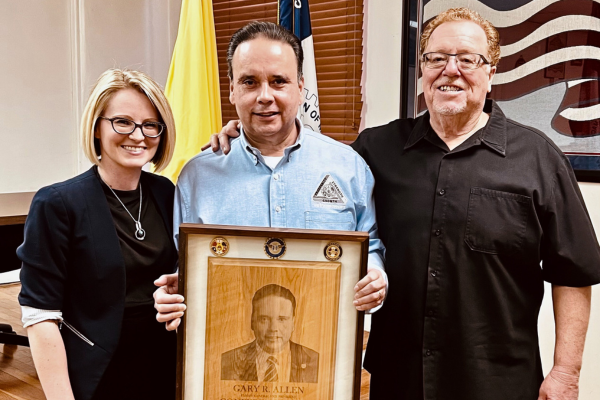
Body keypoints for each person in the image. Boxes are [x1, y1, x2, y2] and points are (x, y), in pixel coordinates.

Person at [203, 8, 600, 400]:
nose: (450, 70)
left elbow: (574, 271)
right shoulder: (375, 150)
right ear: (423, 70)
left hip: (496, 378)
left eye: (467, 59)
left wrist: (566, 373)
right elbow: (303, 163)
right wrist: (246, 135)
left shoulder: (538, 159)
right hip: (397, 376)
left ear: (490, 73)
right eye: (436, 58)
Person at [154, 21, 387, 331]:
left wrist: (375, 276)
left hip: (322, 348)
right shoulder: (198, 177)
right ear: (232, 89)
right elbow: (184, 262)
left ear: (301, 86)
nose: (265, 96)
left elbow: (368, 246)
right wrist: (174, 291)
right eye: (250, 82)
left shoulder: (348, 167)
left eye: (279, 81)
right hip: (226, 351)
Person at [17, 69, 178, 400]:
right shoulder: (58, 203)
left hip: (165, 364)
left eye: (151, 124)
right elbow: (40, 315)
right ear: (96, 128)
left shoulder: (165, 192)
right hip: (98, 372)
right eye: (123, 122)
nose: (138, 135)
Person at [221, 284, 318, 383]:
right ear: (252, 322)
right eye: (264, 319)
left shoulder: (315, 362)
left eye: (281, 319)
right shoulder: (227, 362)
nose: (273, 329)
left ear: (293, 323)